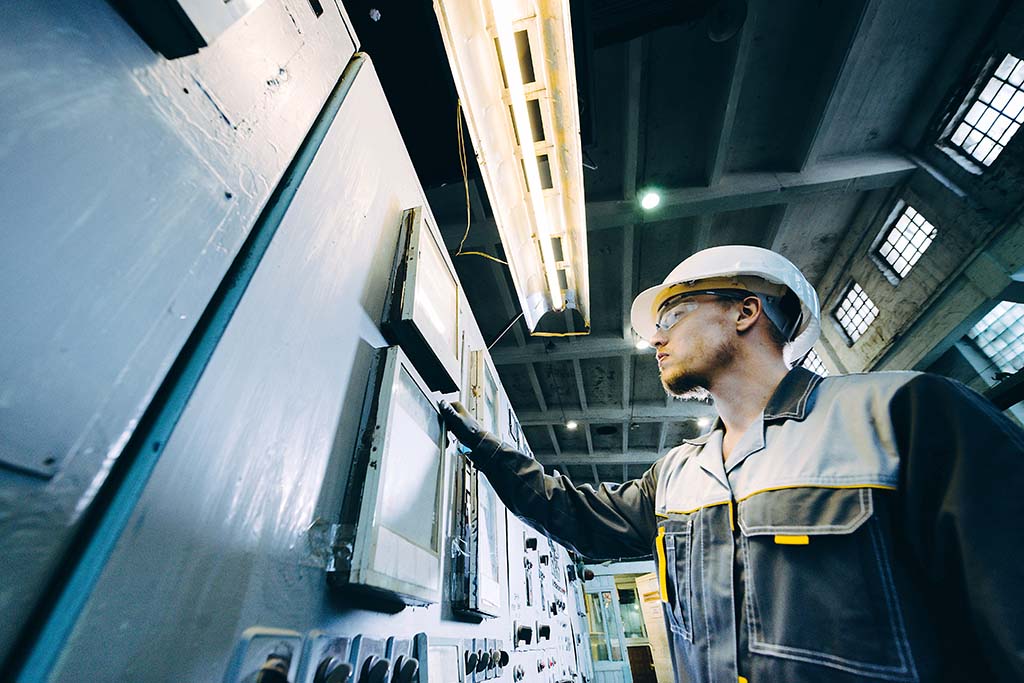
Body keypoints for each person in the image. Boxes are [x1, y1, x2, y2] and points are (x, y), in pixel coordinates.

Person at [440, 245, 1024, 683]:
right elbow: (573, 513)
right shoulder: (677, 473)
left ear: (745, 311)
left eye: (672, 318)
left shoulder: (904, 414)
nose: (657, 341)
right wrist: (484, 446)